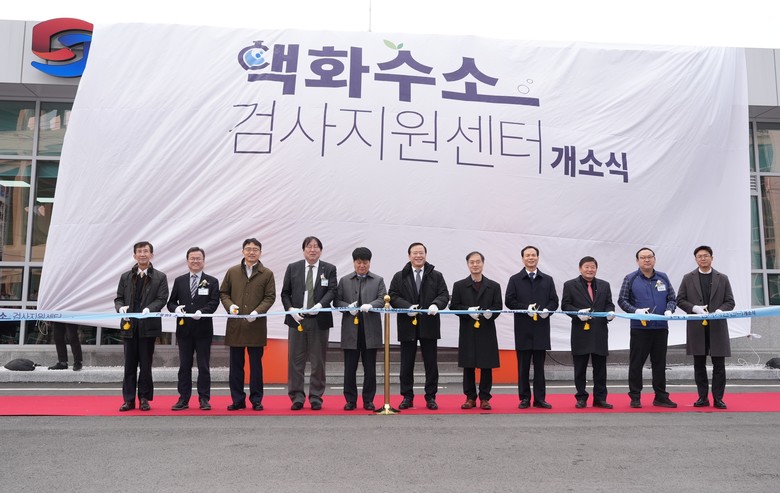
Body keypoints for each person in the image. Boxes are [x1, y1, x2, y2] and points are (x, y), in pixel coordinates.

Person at [389, 242, 449, 410]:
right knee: (406, 363)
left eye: (421, 252)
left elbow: (444, 295)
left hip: (429, 323)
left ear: (425, 255)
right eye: (415, 253)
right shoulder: (399, 276)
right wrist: (406, 307)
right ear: (409, 256)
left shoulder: (436, 275)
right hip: (407, 324)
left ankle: (431, 397)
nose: (418, 256)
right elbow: (392, 296)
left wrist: (436, 304)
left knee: (431, 363)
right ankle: (407, 396)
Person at [281, 236, 338, 411]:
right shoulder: (293, 268)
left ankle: (316, 397)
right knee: (295, 361)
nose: (312, 250)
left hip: (318, 321)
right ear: (303, 250)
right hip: (297, 320)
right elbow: (285, 293)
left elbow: (332, 290)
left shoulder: (329, 269)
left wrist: (320, 306)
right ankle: (297, 397)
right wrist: (291, 309)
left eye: (316, 247)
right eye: (309, 246)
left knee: (318, 361)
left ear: (321, 250)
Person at [219, 238, 276, 411]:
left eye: (255, 249)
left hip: (256, 326)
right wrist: (230, 306)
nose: (251, 252)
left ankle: (256, 400)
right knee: (236, 366)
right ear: (242, 251)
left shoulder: (267, 273)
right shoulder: (233, 271)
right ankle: (238, 399)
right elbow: (224, 293)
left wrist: (257, 312)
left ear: (260, 252)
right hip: (236, 326)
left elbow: (270, 297)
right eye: (248, 249)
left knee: (256, 366)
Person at [617, 247, 678, 408]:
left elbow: (672, 298)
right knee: (636, 363)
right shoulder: (630, 278)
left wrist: (669, 310)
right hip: (640, 328)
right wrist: (635, 311)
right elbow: (622, 300)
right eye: (643, 257)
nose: (647, 260)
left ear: (654, 259)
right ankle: (635, 396)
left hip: (661, 328)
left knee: (660, 363)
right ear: (637, 261)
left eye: (649, 257)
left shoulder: (663, 277)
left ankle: (661, 396)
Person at [676, 245, 735, 409]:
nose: (703, 258)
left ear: (712, 258)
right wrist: (694, 308)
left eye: (706, 255)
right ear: (696, 259)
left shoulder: (722, 278)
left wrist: (720, 310)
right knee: (699, 364)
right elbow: (680, 300)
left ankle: (718, 398)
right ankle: (702, 397)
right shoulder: (688, 278)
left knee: (719, 365)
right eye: (700, 256)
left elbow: (730, 301)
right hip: (697, 327)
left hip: (717, 327)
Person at [114, 241, 168, 412]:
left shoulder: (160, 277)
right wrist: (120, 308)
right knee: (129, 365)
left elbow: (162, 299)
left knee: (145, 365)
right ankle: (128, 400)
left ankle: (144, 398)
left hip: (148, 327)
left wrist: (149, 309)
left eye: (146, 251)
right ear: (134, 255)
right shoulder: (125, 276)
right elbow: (119, 298)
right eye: (139, 251)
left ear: (151, 255)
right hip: (129, 326)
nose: (142, 254)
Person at [505, 245, 559, 409]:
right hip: (523, 328)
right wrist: (524, 308)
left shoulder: (547, 279)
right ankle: (524, 398)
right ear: (522, 258)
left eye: (533, 255)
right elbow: (509, 301)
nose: (531, 258)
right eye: (527, 255)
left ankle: (540, 399)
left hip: (541, 328)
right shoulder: (515, 279)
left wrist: (548, 310)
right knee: (523, 367)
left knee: (540, 367)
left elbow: (554, 301)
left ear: (538, 257)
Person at [166, 247, 220, 411]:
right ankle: (183, 398)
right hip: (184, 331)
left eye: (198, 258)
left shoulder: (212, 281)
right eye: (192, 258)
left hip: (203, 330)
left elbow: (214, 302)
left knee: (203, 366)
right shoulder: (180, 280)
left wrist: (202, 312)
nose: (195, 261)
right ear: (187, 261)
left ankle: (204, 398)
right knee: (184, 366)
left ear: (203, 261)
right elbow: (171, 302)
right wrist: (175, 308)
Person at [334, 247, 387, 411]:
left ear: (369, 263)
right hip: (350, 331)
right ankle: (350, 400)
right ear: (354, 263)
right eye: (359, 262)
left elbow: (383, 299)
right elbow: (336, 301)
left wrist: (371, 305)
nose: (362, 265)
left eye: (365, 262)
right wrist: (347, 307)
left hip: (370, 331)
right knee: (350, 368)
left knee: (370, 368)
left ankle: (368, 400)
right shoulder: (344, 280)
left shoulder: (378, 280)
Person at [449, 251, 502, 410]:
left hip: (486, 329)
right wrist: (467, 311)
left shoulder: (494, 286)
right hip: (468, 330)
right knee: (468, 365)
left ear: (483, 264)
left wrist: (491, 313)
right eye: (472, 262)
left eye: (478, 262)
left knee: (486, 365)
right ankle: (470, 397)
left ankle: (485, 397)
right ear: (468, 264)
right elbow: (454, 306)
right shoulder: (459, 285)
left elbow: (498, 306)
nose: (475, 265)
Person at [561, 256, 616, 409]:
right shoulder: (570, 285)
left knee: (600, 368)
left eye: (593, 267)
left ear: (596, 269)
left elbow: (609, 304)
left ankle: (600, 398)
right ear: (580, 268)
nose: (590, 269)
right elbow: (565, 305)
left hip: (599, 331)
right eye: (586, 267)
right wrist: (577, 313)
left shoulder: (604, 285)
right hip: (580, 332)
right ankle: (581, 397)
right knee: (580, 368)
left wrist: (610, 312)